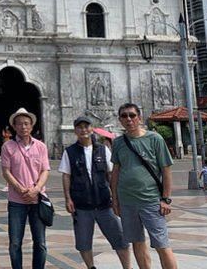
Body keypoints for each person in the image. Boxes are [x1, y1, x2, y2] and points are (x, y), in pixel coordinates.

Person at [110, 103, 177, 269]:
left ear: (139, 117)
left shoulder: (155, 139)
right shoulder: (118, 142)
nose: (129, 119)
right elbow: (115, 173)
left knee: (162, 244)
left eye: (132, 115)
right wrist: (115, 200)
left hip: (151, 200)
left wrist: (166, 199)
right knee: (137, 243)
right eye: (124, 116)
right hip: (127, 202)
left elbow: (166, 170)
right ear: (120, 120)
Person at [59, 115, 130, 269]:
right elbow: (66, 175)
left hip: (104, 203)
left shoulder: (103, 150)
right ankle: (91, 267)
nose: (83, 130)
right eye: (80, 127)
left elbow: (111, 175)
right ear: (75, 131)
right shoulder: (70, 152)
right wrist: (67, 198)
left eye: (86, 126)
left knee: (120, 238)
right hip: (81, 205)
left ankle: (127, 267)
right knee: (83, 242)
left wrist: (116, 197)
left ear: (92, 129)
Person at [0, 108, 50, 269]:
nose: (23, 127)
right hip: (16, 200)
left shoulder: (41, 146)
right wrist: (20, 189)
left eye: (26, 123)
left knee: (40, 242)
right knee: (15, 242)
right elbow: (6, 171)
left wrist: (36, 189)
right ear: (14, 126)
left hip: (38, 199)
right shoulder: (8, 146)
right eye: (20, 124)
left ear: (31, 126)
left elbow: (45, 170)